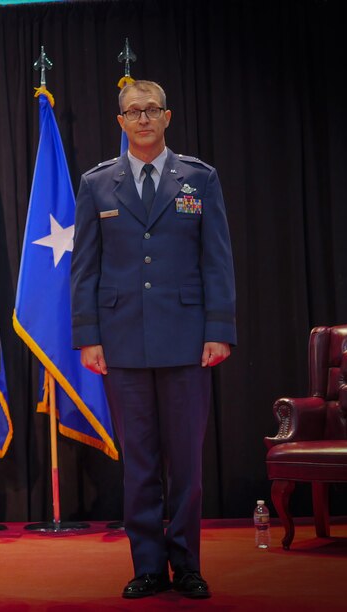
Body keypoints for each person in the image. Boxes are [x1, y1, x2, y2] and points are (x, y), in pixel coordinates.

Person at [70, 80, 236, 600]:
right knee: (139, 463)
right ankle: (147, 565)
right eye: (132, 112)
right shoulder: (98, 184)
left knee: (185, 462)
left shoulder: (199, 179)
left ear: (167, 117)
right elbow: (84, 268)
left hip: (187, 340)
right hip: (121, 342)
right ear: (119, 122)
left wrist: (219, 330)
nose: (142, 119)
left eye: (151, 110)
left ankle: (186, 564)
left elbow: (217, 260)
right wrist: (88, 337)